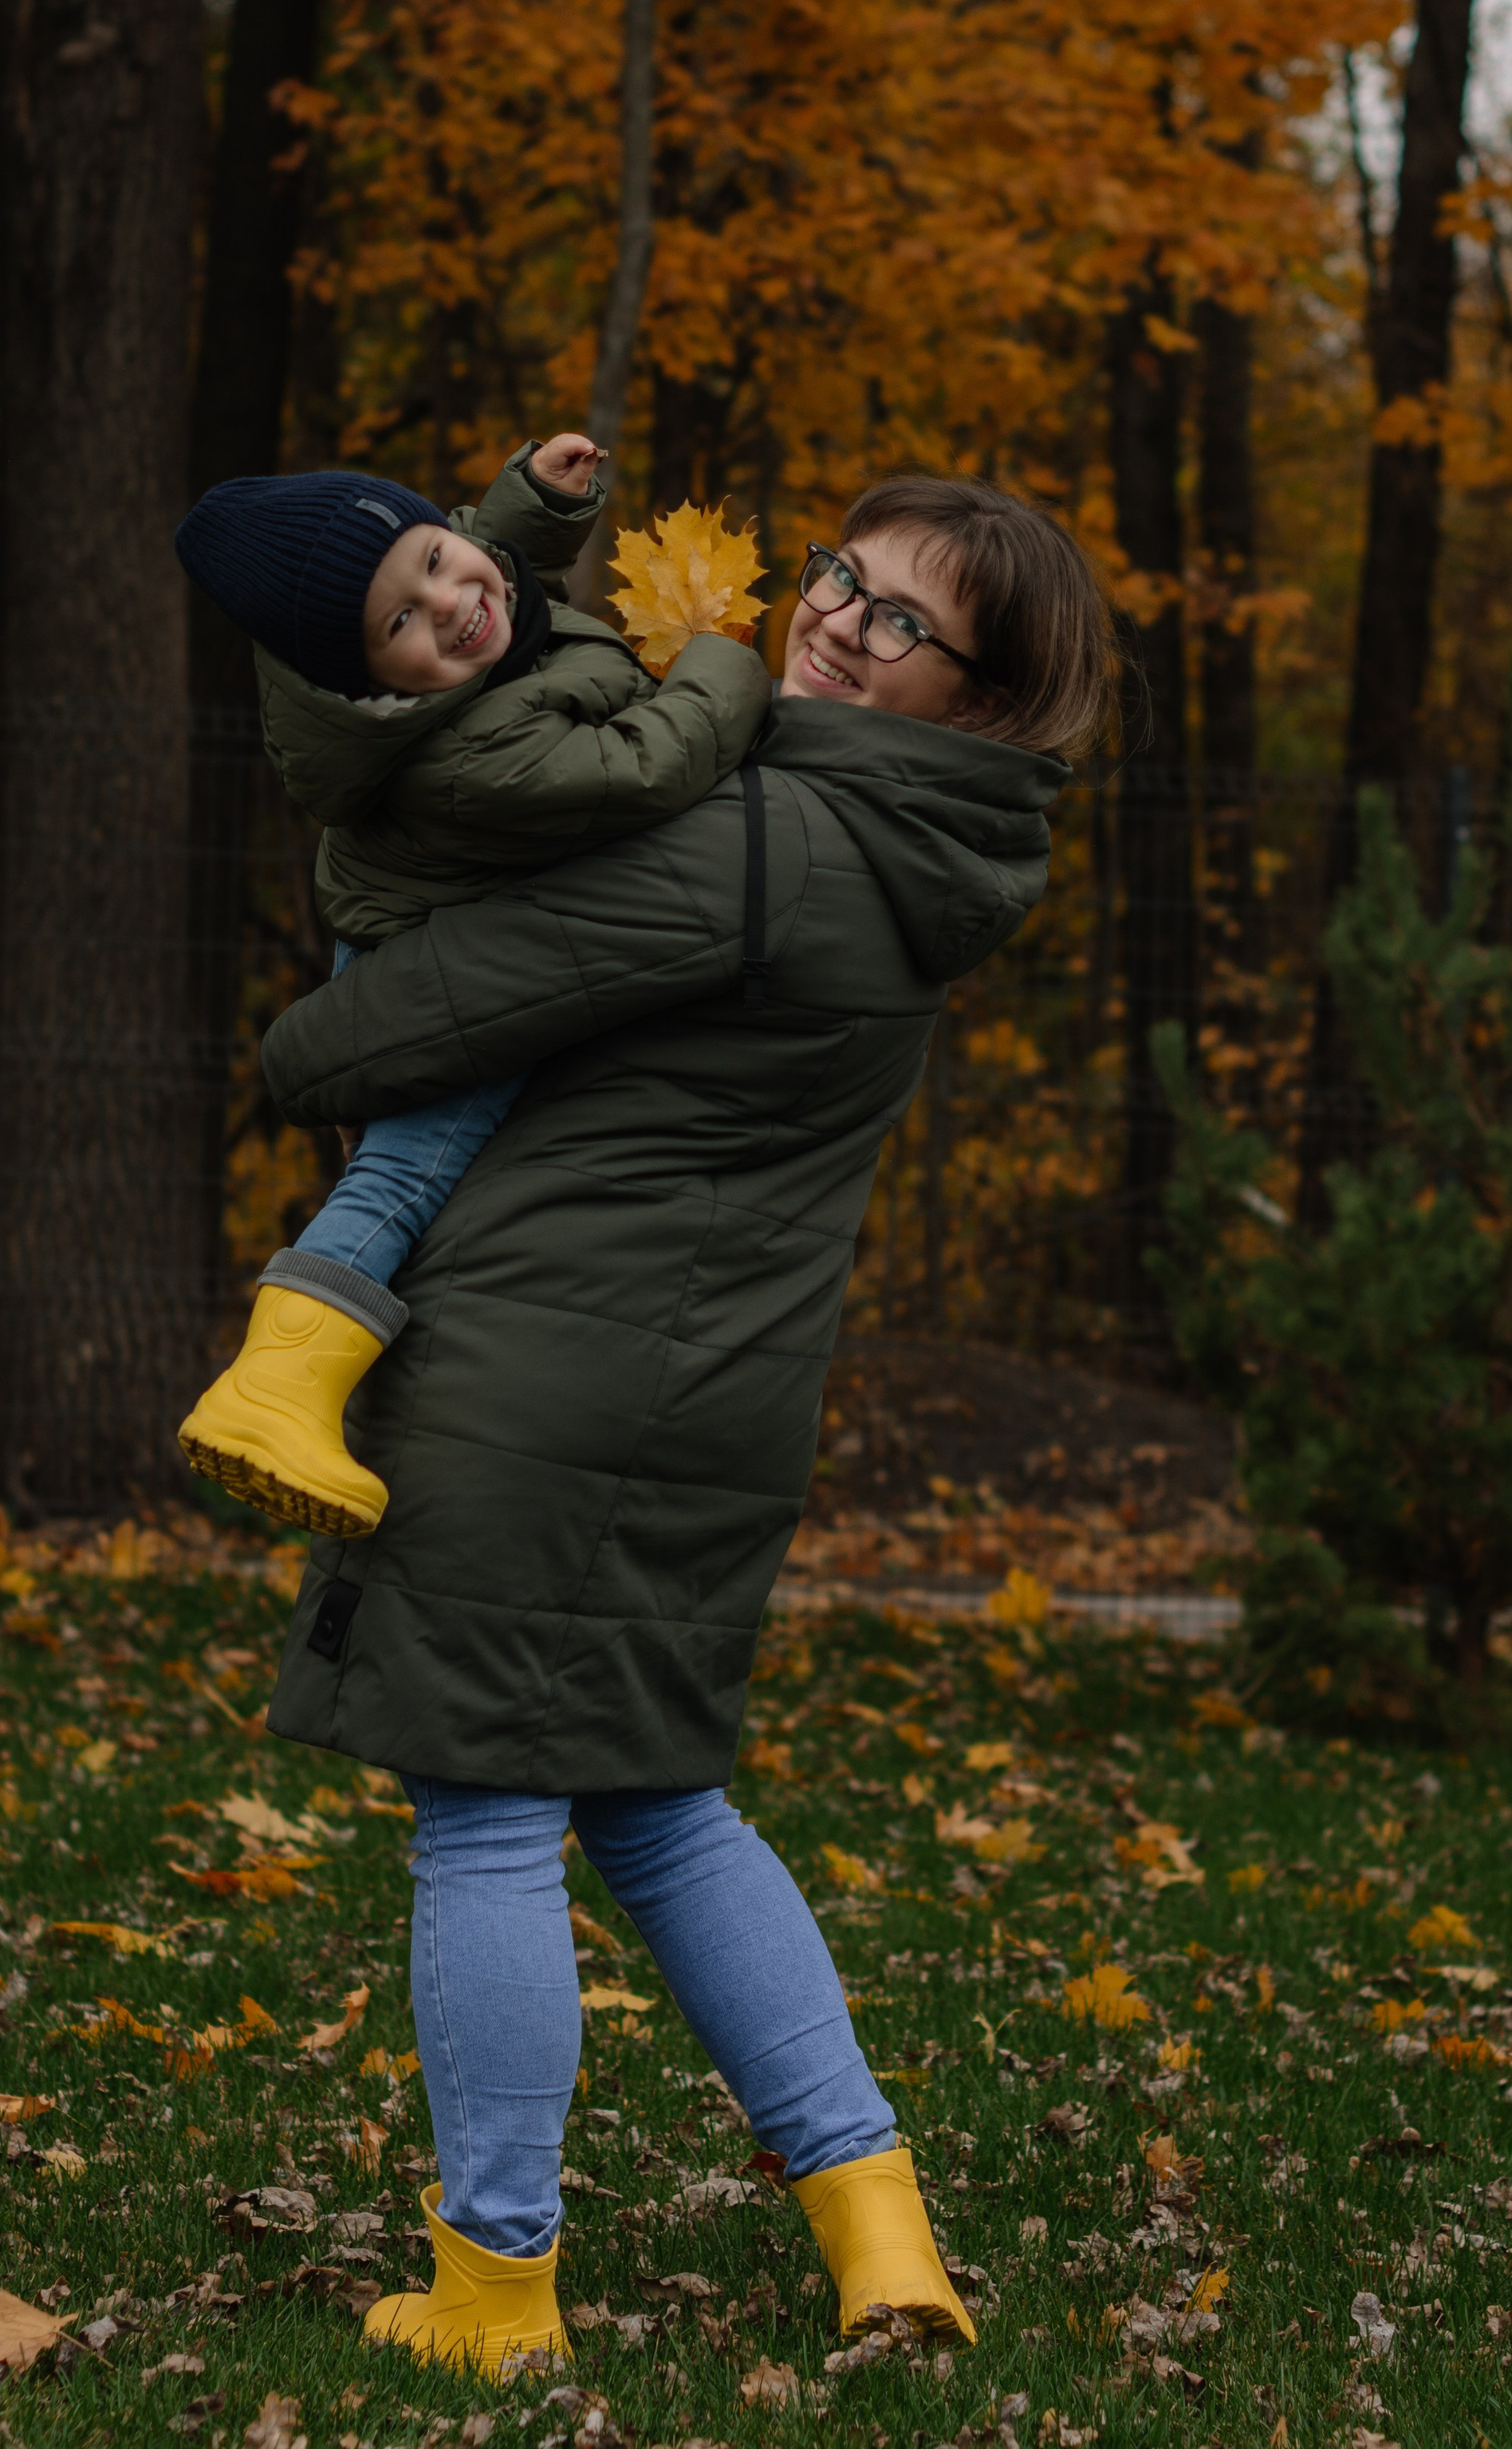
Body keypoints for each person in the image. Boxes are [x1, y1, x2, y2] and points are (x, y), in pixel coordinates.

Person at [258, 474, 1115, 2375]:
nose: (830, 620)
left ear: (980, 699)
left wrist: (304, 1027)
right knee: (656, 1807)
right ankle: (877, 2228)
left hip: (540, 1385)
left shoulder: (771, 839)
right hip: (709, 1403)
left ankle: (491, 2291)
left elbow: (372, 1042)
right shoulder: (916, 859)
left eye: (898, 621)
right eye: (837, 576)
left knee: (482, 1812)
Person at [170, 433, 772, 1538]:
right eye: (401, 622)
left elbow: (492, 559)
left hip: (439, 934)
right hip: (435, 969)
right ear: (369, 684)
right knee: (410, 1165)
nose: (452, 603)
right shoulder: (468, 756)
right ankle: (274, 1394)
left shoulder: (471, 632)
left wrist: (532, 504)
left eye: (439, 558)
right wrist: (719, 663)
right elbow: (651, 767)